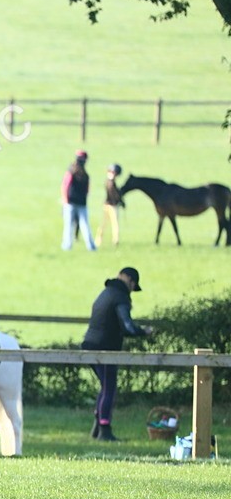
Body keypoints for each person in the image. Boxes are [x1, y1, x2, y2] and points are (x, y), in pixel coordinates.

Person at [80, 267, 152, 441]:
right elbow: (127, 326)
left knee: (105, 387)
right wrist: (144, 332)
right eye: (132, 284)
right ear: (129, 279)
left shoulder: (106, 292)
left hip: (90, 345)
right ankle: (104, 428)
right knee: (109, 388)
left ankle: (98, 428)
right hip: (105, 349)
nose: (132, 288)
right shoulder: (120, 297)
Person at [61, 150, 96, 251]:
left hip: (72, 202)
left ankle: (67, 246)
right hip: (76, 202)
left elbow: (64, 186)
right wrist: (65, 199)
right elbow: (66, 186)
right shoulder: (82, 174)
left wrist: (65, 199)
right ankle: (90, 246)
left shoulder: (72, 171)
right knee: (82, 225)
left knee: (70, 225)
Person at [95, 163, 125, 248]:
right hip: (112, 205)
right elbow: (114, 194)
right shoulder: (111, 183)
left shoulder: (108, 181)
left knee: (103, 224)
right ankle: (115, 240)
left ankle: (98, 240)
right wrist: (120, 200)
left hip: (106, 204)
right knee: (114, 223)